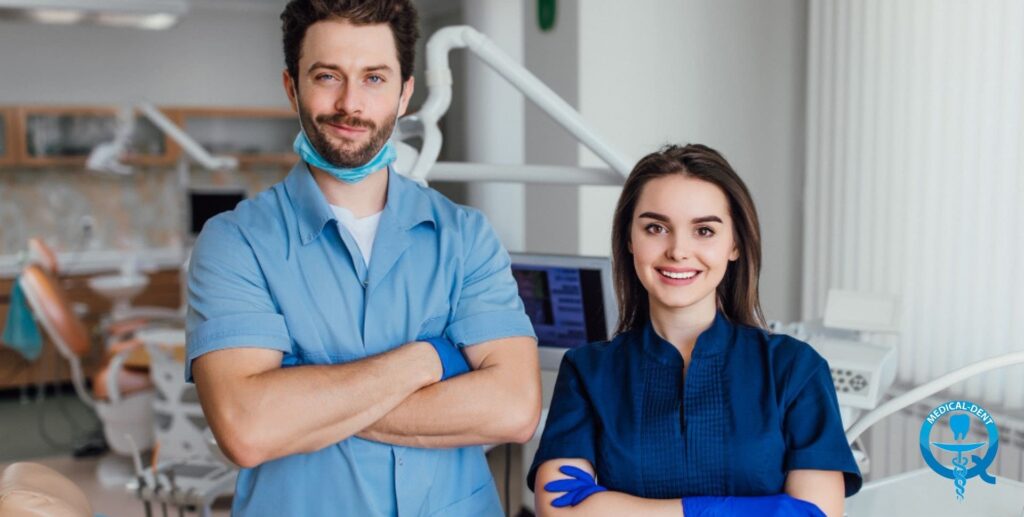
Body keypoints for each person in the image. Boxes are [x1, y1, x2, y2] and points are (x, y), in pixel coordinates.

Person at [186, 1, 541, 515]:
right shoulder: (234, 243)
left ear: (405, 94)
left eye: (374, 78)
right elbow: (249, 429)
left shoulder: (465, 237)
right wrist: (431, 359)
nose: (350, 103)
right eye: (328, 76)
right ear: (292, 87)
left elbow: (513, 407)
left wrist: (309, 402)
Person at [527, 144, 861, 516]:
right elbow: (561, 510)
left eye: (704, 230)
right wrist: (758, 509)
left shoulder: (794, 369)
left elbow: (814, 514)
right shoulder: (587, 371)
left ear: (734, 244)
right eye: (656, 228)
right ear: (629, 239)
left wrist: (614, 506)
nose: (679, 250)